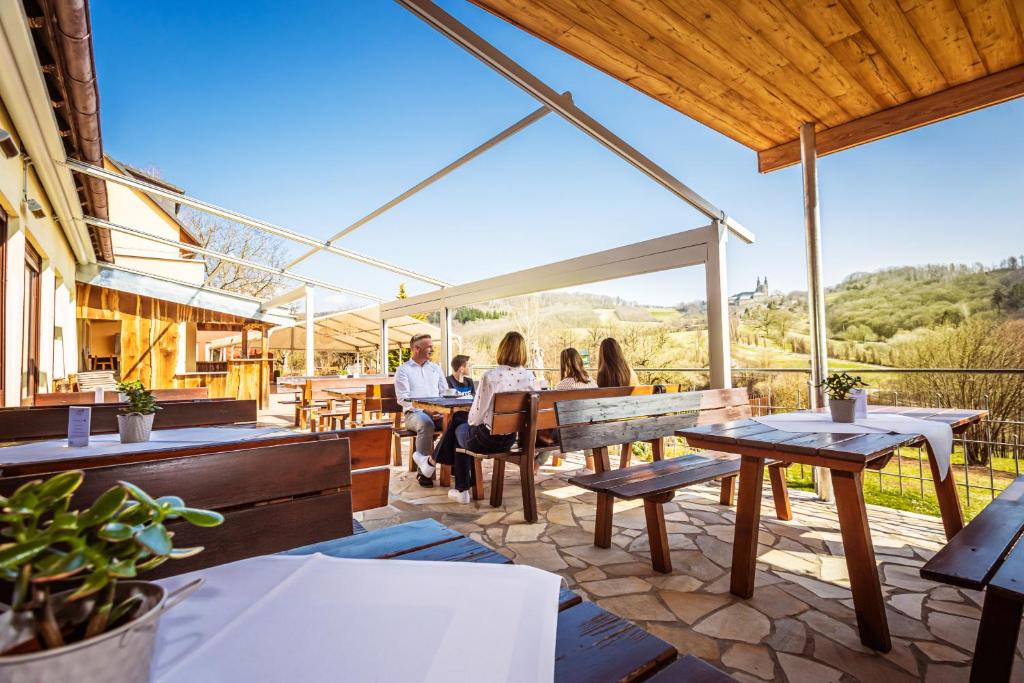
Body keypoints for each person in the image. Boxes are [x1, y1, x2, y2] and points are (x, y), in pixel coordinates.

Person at [430, 332, 538, 504]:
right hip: (510, 439)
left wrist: (469, 419)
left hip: (486, 441)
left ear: (501, 350)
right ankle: (433, 464)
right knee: (459, 421)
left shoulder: (490, 376)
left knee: (459, 424)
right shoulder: (530, 376)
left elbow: (475, 418)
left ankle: (459, 487)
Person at [393, 333, 448, 487]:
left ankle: (452, 466)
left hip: (438, 413)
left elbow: (444, 392)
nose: (432, 349)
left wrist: (441, 411)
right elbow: (402, 399)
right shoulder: (403, 370)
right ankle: (423, 473)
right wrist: (426, 410)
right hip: (414, 415)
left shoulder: (436, 368)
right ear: (416, 349)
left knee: (456, 423)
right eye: (428, 346)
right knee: (426, 424)